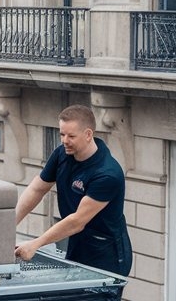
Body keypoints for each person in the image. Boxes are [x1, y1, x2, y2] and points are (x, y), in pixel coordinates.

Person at [14, 104, 132, 291]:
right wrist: (9, 224)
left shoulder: (107, 174)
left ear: (88, 134)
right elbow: (37, 188)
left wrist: (35, 244)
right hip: (77, 243)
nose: (64, 141)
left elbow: (77, 221)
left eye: (71, 136)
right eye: (62, 134)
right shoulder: (62, 153)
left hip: (105, 254)